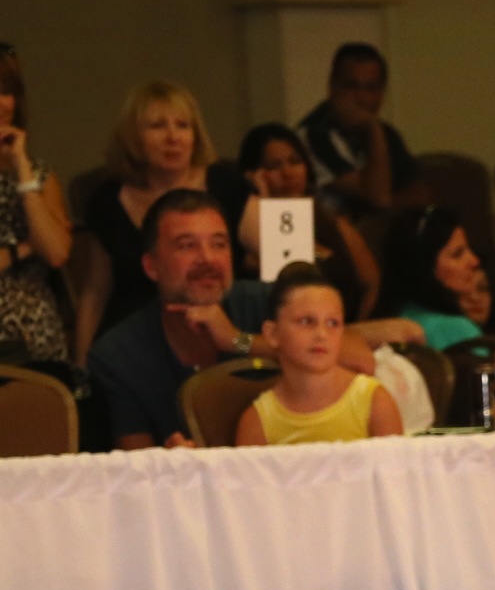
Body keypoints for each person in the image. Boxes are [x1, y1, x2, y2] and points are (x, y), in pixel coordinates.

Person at [88, 190, 419, 449]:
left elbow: (358, 359)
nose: (207, 260)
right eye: (187, 246)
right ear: (151, 266)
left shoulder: (262, 300)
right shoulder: (117, 357)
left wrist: (237, 340)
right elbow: (136, 468)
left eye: (219, 245)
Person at [75, 81, 247, 355]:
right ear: (133, 138)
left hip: (220, 335)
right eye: (157, 126)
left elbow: (283, 253)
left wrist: (245, 341)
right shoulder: (106, 200)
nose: (172, 137)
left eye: (182, 125)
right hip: (133, 344)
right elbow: (95, 291)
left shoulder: (227, 184)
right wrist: (81, 367)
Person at [235, 263, 403, 446]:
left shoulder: (374, 402)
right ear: (272, 333)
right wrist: (236, 340)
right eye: (306, 321)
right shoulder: (257, 421)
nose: (321, 335)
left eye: (332, 323)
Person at [234, 123, 380, 318]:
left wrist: (355, 328)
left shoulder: (331, 221)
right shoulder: (246, 240)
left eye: (295, 161)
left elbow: (372, 283)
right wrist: (262, 202)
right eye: (274, 166)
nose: (288, 173)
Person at [0, 44, 72, 371]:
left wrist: (21, 166)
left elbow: (56, 251)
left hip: (36, 335)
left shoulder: (38, 173)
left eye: (7, 91)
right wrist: (26, 248)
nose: (2, 103)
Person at [298, 43, 422, 216]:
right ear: (332, 86)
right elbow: (378, 199)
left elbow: (419, 193)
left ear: (382, 92)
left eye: (370, 88)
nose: (361, 98)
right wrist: (373, 129)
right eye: (351, 86)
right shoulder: (313, 136)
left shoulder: (386, 133)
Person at [378, 206, 491, 349]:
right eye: (457, 254)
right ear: (425, 269)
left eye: (468, 249)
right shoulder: (458, 330)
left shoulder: (392, 320)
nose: (475, 261)